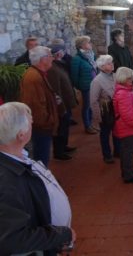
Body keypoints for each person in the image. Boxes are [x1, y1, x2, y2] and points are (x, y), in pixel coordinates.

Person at [0, 102, 76, 255]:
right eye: (30, 121)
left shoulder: (17, 157)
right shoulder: (7, 180)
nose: (33, 122)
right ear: (21, 135)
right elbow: (13, 239)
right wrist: (59, 236)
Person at [19, 46, 59, 167]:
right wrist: (49, 121)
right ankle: (42, 182)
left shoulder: (36, 74)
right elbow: (35, 106)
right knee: (41, 158)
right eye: (50, 56)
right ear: (43, 59)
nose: (52, 58)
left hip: (42, 126)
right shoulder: (33, 77)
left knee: (43, 155)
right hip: (41, 127)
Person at [113, 67, 133, 183]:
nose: (132, 80)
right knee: (127, 151)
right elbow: (127, 115)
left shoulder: (125, 90)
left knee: (128, 151)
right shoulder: (123, 93)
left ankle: (128, 170)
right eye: (130, 79)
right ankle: (128, 175)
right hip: (127, 127)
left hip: (127, 127)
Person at [47, 42, 78, 161]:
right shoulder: (53, 69)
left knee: (65, 127)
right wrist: (61, 108)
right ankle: (59, 151)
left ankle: (64, 146)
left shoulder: (59, 65)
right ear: (58, 54)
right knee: (60, 127)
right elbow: (56, 89)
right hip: (62, 105)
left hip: (65, 103)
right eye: (62, 51)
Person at [90, 55, 120, 164]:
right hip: (105, 110)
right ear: (102, 67)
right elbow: (93, 101)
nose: (112, 64)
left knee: (117, 131)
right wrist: (98, 117)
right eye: (109, 63)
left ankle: (118, 151)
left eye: (112, 62)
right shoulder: (97, 81)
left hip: (116, 108)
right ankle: (107, 155)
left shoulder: (115, 76)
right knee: (105, 134)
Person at [70, 36, 98, 134]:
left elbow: (94, 69)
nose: (90, 44)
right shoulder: (77, 59)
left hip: (93, 84)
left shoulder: (90, 55)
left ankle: (90, 124)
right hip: (86, 86)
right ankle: (87, 125)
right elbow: (74, 76)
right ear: (82, 45)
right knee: (86, 106)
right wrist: (80, 86)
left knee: (91, 105)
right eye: (88, 42)